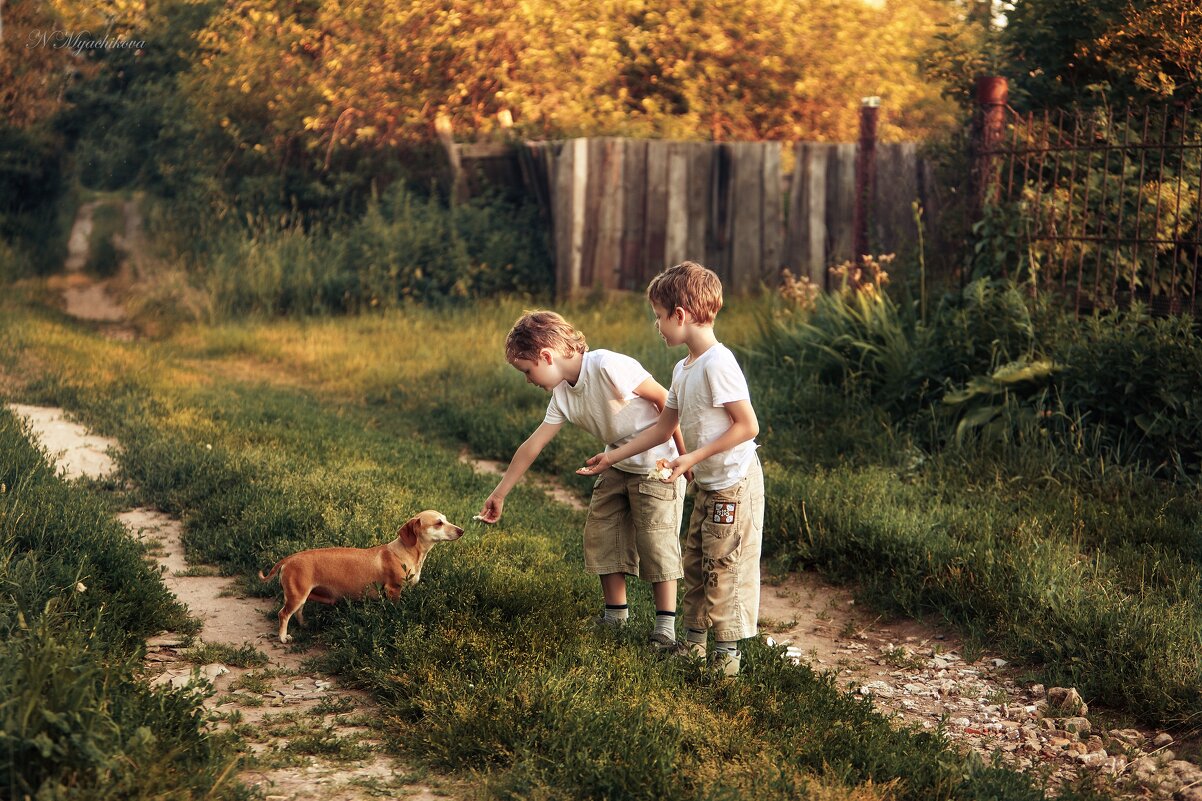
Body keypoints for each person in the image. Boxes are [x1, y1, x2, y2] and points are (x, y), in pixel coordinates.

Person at [578, 262, 763, 676]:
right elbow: (665, 425)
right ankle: (695, 645)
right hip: (710, 484)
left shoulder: (718, 363)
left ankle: (727, 656)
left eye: (660, 317)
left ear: (680, 315)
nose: (657, 326)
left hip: (734, 483)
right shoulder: (683, 369)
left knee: (723, 562)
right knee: (696, 559)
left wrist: (692, 459)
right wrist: (611, 457)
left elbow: (748, 426)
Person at [478, 310, 689, 649]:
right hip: (615, 464)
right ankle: (615, 615)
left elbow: (666, 401)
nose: (528, 380)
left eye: (528, 371)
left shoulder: (607, 365)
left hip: (657, 464)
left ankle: (665, 628)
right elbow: (533, 445)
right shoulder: (561, 394)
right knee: (603, 532)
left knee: (656, 541)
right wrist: (500, 492)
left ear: (547, 356)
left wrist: (683, 456)